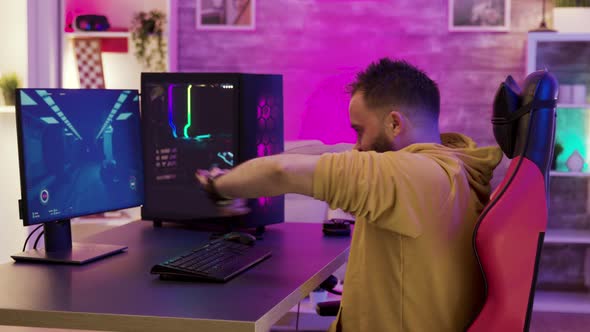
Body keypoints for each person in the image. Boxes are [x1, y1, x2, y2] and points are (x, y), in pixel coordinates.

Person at [196, 58, 503, 332]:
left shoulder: (410, 177)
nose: (356, 146)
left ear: (395, 123)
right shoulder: (447, 166)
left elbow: (282, 172)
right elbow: (331, 153)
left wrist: (219, 187)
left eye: (359, 131)